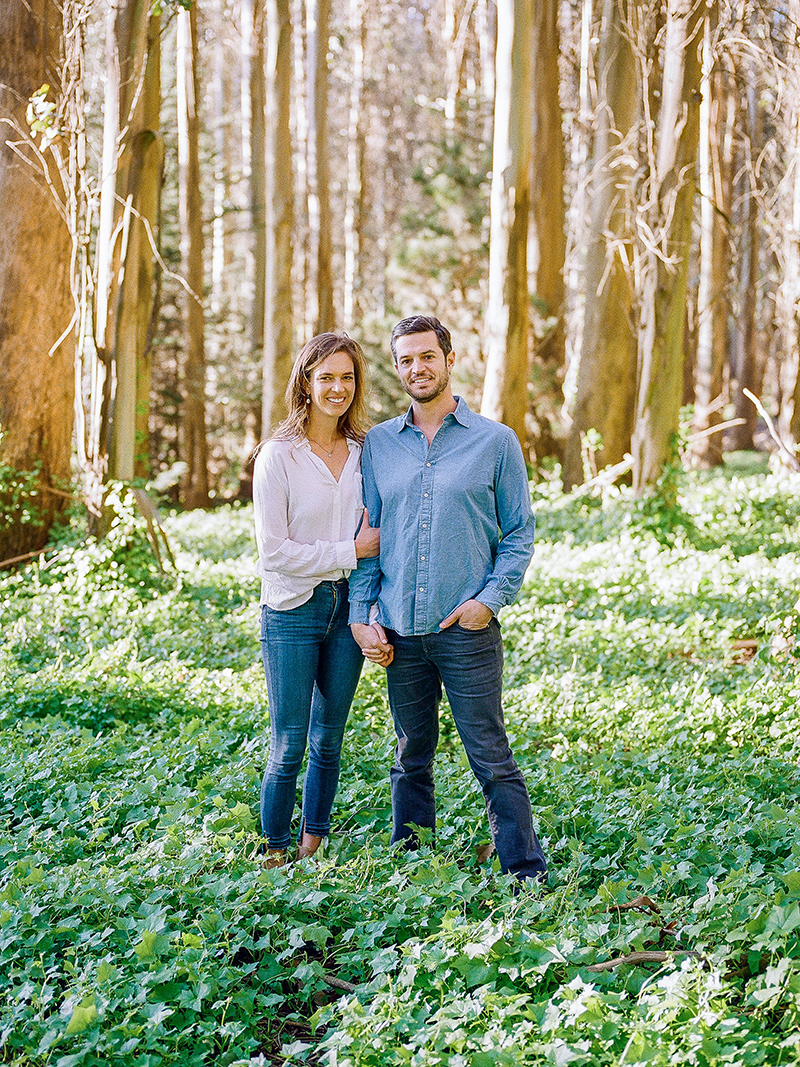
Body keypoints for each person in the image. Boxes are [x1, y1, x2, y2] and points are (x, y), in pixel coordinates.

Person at [348, 315, 547, 883]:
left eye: (427, 357)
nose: (418, 368)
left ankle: (524, 874)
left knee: (490, 754)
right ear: (396, 369)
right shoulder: (379, 446)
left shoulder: (495, 441)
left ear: (449, 359)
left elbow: (519, 533)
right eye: (406, 360)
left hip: (466, 629)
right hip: (401, 634)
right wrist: (365, 616)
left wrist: (490, 599)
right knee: (410, 756)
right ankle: (412, 870)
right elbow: (371, 538)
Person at [253, 332, 390, 869]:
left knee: (329, 739)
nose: (337, 387)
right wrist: (348, 551)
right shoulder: (278, 457)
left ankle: (313, 844)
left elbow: (378, 542)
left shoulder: (365, 455)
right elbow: (274, 553)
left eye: (347, 378)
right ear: (305, 383)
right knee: (289, 741)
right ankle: (275, 850)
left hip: (347, 612)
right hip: (291, 611)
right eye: (326, 377)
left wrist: (366, 610)